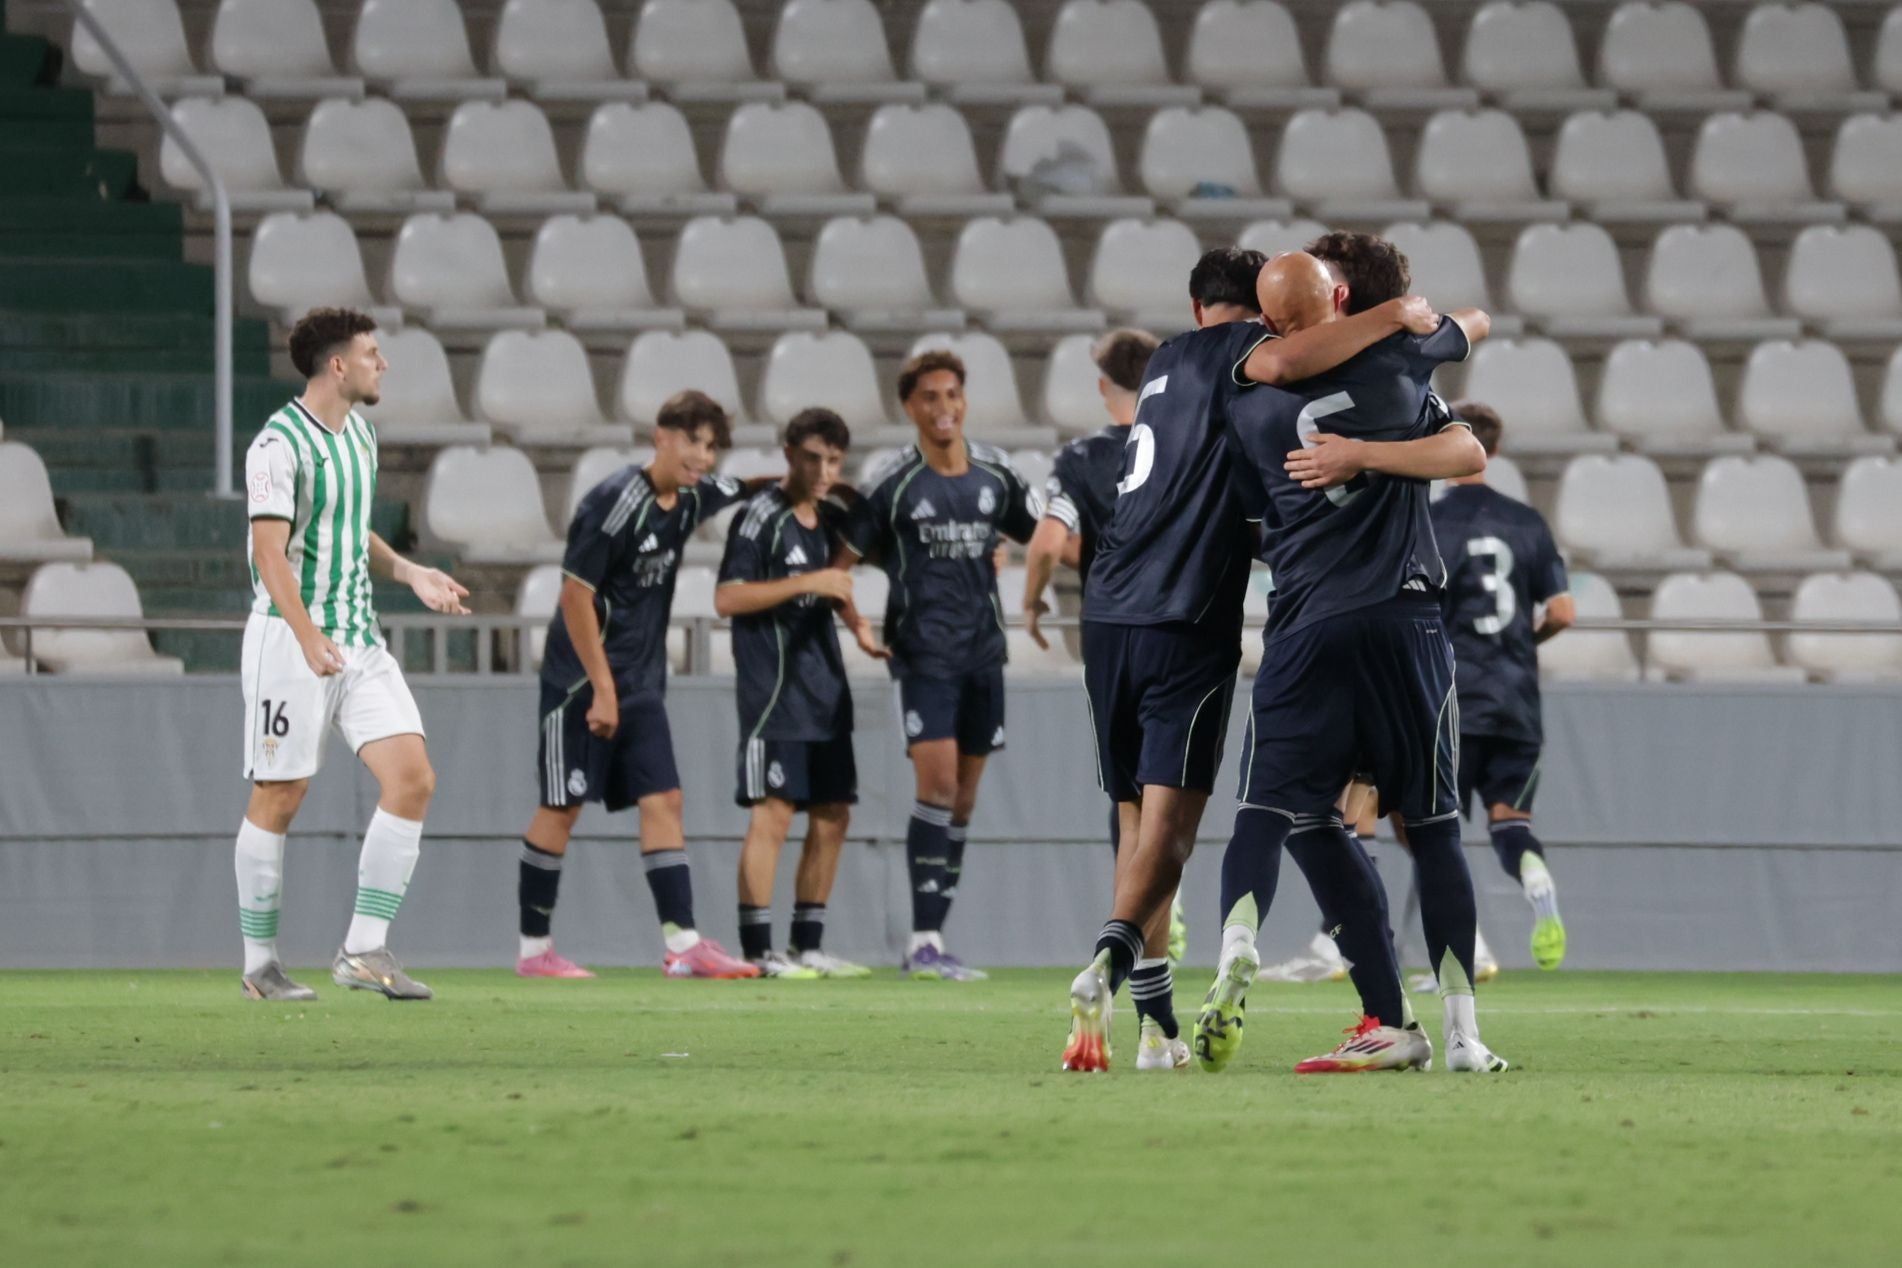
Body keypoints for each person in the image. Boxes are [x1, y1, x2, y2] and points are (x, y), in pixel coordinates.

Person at [1060, 249, 1443, 1072]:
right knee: (1178, 829)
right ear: (1260, 313)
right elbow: (1287, 362)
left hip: (1108, 606)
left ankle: (1156, 1029)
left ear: (1195, 304)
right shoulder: (1251, 361)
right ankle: (1111, 954)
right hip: (1195, 614)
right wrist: (1395, 316)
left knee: (1134, 820)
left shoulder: (1164, 360)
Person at [1199, 249, 1508, 1075]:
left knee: (1281, 812)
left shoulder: (1247, 401)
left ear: (1267, 323)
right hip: (1407, 622)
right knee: (1435, 829)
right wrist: (1419, 321)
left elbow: (1243, 516)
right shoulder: (1400, 364)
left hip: (1307, 627)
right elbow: (1469, 439)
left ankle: (1243, 944)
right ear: (1344, 298)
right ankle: (1460, 1037)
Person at [235, 307, 470, 1001]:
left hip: (359, 640)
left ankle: (364, 951)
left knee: (414, 778)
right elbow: (268, 552)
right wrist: (306, 636)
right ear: (338, 365)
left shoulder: (360, 438)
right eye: (373, 353)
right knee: (281, 794)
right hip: (290, 640)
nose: (383, 363)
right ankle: (260, 965)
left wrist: (409, 573)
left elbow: (349, 529)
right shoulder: (277, 444)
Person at [515, 390, 759, 980]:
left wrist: (801, 482)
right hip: (580, 682)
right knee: (562, 806)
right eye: (692, 441)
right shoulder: (614, 503)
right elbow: (575, 594)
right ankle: (533, 952)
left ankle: (683, 944)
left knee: (665, 800)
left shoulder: (693, 495)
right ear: (661, 436)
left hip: (642, 683)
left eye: (710, 447)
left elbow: (745, 487)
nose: (702, 457)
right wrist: (601, 687)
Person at [837, 350, 1042, 980]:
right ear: (910, 407)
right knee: (939, 787)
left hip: (984, 652)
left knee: (964, 801)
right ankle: (922, 940)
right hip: (924, 655)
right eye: (930, 397)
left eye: (952, 394)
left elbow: (1037, 534)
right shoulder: (895, 487)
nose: (943, 407)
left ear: (965, 400)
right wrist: (862, 626)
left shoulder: (995, 476)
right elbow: (837, 564)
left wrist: (1010, 564)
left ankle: (936, 939)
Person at [716, 408, 874, 979]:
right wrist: (809, 582)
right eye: (812, 457)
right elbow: (728, 598)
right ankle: (758, 952)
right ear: (787, 453)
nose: (823, 470)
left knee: (833, 814)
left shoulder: (828, 517)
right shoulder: (759, 518)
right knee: (774, 814)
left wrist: (857, 625)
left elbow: (840, 577)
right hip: (773, 693)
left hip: (824, 691)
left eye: (833, 460)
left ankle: (807, 944)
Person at [1430, 400, 1574, 970]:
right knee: (1510, 821)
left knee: (1432, 832)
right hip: (1517, 698)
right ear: (1495, 450)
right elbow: (1563, 610)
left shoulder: (1432, 521)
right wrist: (1520, 646)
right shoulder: (1527, 521)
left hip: (1452, 699)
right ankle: (1535, 877)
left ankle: (1467, 949)